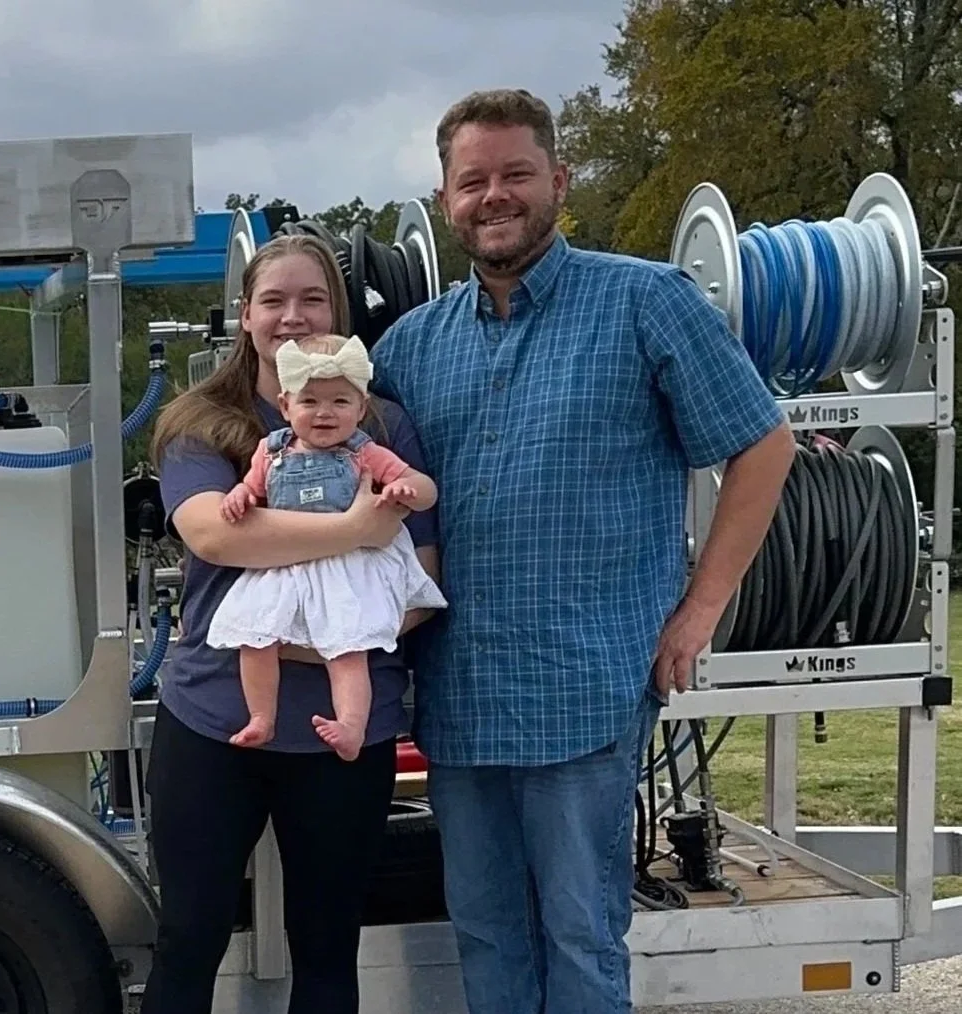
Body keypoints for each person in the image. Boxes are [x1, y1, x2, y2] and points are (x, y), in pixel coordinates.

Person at [368, 88, 794, 1013]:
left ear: (557, 181)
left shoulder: (645, 302)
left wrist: (701, 607)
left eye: (514, 174)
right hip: (459, 697)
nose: (494, 196)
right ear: (445, 199)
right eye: (472, 180)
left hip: (586, 688)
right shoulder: (408, 348)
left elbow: (764, 445)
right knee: (484, 935)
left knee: (581, 934)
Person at [142, 232, 444, 1013]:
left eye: (312, 299)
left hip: (346, 731)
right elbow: (213, 534)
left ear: (338, 317)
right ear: (244, 316)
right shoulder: (202, 424)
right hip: (213, 720)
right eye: (273, 300)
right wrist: (355, 533)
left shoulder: (383, 427)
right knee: (190, 936)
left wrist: (314, 641)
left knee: (326, 946)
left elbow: (421, 583)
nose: (292, 316)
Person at [208, 333, 446, 760]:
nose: (324, 413)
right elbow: (252, 486)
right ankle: (262, 716)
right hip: (286, 564)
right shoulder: (271, 451)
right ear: (285, 406)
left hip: (344, 569)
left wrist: (408, 489)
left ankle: (352, 727)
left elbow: (426, 489)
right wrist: (239, 496)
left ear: (360, 409)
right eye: (310, 401)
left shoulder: (366, 453)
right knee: (255, 638)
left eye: (340, 402)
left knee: (346, 649)